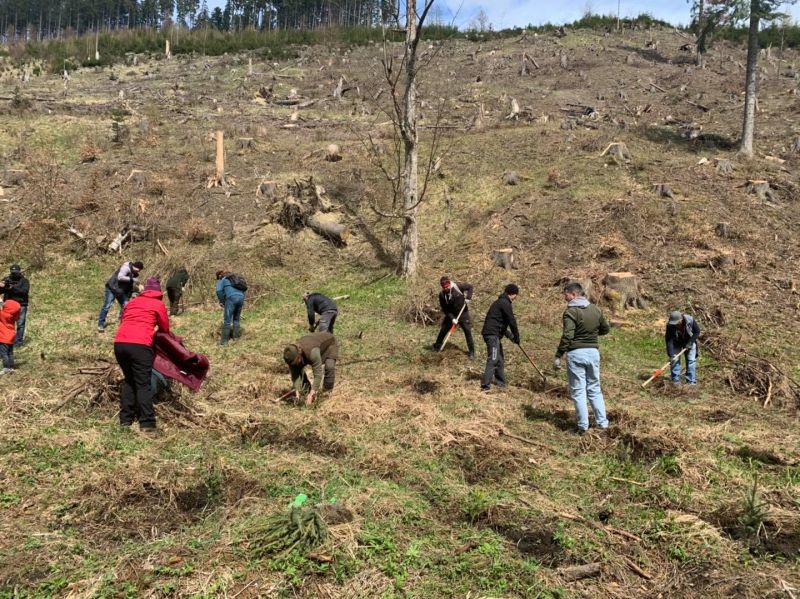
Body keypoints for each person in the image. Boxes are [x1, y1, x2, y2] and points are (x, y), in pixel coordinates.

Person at [113, 277, 170, 431]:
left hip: (120, 344)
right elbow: (165, 329)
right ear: (159, 293)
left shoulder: (132, 302)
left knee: (129, 381)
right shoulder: (158, 304)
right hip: (140, 345)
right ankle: (147, 423)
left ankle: (125, 420)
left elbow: (124, 321)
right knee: (143, 384)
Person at [554, 282, 610, 434]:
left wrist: (559, 354)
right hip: (593, 352)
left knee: (578, 391)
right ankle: (603, 423)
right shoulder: (595, 309)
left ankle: (583, 427)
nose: (565, 298)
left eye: (566, 295)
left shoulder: (571, 312)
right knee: (595, 389)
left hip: (576, 353)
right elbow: (605, 329)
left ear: (573, 294)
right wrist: (590, 335)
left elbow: (568, 335)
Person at [480, 283, 520, 392]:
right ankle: (485, 387)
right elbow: (512, 321)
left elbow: (501, 325)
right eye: (516, 295)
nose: (516, 298)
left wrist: (511, 337)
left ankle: (501, 383)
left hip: (495, 335)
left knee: (500, 359)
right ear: (512, 294)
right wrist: (517, 336)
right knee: (493, 359)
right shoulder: (504, 303)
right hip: (492, 335)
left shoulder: (501, 303)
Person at [283, 331, 338, 406]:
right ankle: (306, 391)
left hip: (330, 344)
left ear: (299, 355)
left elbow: (318, 374)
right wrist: (297, 391)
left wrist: (312, 393)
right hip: (315, 347)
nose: (294, 364)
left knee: (329, 366)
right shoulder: (292, 357)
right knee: (297, 368)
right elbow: (295, 375)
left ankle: (326, 393)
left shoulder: (312, 352)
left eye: (295, 362)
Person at [433, 275, 475, 358]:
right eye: (444, 288)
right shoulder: (442, 295)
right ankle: (437, 346)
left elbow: (470, 287)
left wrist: (468, 298)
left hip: (463, 313)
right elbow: (445, 309)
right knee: (443, 330)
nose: (446, 289)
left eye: (447, 287)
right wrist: (452, 319)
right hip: (451, 314)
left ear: (449, 284)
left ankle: (472, 352)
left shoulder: (458, 287)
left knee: (467, 331)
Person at [98, 260, 143, 333]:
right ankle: (100, 325)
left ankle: (122, 323)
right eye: (139, 270)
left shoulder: (134, 273)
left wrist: (134, 292)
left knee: (126, 306)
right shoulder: (126, 268)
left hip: (120, 291)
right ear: (136, 268)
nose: (139, 271)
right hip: (112, 289)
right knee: (107, 306)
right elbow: (120, 277)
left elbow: (129, 286)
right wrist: (132, 279)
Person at [665, 310, 701, 385]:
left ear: (681, 320)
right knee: (674, 360)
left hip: (689, 340)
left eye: (677, 323)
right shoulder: (670, 325)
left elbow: (697, 332)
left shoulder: (690, 320)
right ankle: (675, 381)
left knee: (691, 361)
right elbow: (669, 340)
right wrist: (671, 354)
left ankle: (691, 382)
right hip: (676, 342)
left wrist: (690, 342)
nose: (675, 325)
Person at [0, 264, 29, 346]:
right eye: (13, 272)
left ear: (19, 272)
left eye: (16, 272)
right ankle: (8, 340)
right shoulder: (6, 280)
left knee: (20, 324)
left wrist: (12, 288)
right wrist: (2, 286)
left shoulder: (24, 281)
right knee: (7, 324)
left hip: (21, 305)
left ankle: (18, 342)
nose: (14, 274)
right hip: (8, 306)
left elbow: (24, 292)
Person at [215, 270, 245, 345]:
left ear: (219, 276)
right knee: (236, 319)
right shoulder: (235, 279)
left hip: (231, 298)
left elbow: (219, 291)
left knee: (227, 320)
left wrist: (222, 301)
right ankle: (236, 339)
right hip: (241, 297)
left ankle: (223, 342)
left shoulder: (222, 280)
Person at [0, 298, 21, 374]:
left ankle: (6, 367)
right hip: (11, 337)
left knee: (4, 353)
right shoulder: (13, 316)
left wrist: (1, 302)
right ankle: (11, 367)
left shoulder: (2, 314)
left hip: (3, 338)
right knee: (10, 353)